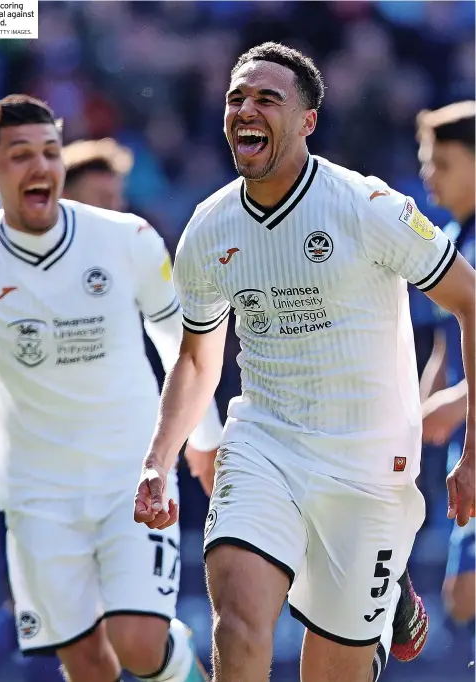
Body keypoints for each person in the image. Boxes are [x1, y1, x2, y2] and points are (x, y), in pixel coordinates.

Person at [134, 42, 475, 682]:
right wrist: (158, 461)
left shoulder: (367, 207)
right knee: (235, 624)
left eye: (268, 98)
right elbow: (198, 358)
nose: (246, 109)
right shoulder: (208, 228)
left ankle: (379, 597)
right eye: (237, 97)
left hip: (369, 463)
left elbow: (472, 302)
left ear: (308, 121)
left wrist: (475, 451)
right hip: (265, 444)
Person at [0, 94, 223, 682]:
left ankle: (183, 666)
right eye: (20, 154)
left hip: (130, 479)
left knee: (138, 642)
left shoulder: (125, 238)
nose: (40, 166)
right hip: (35, 500)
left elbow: (181, 341)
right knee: (84, 664)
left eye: (50, 151)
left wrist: (202, 436)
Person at [62, 137, 220, 495]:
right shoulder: (24, 269)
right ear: (65, 200)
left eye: (118, 198)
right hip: (50, 460)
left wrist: (205, 435)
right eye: (102, 199)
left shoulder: (139, 256)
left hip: (131, 452)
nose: (116, 209)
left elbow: (182, 346)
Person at [416, 101, 475, 628]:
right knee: (462, 599)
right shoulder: (451, 244)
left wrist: (454, 406)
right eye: (426, 162)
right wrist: (415, 413)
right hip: (465, 448)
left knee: (466, 593)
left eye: (444, 162)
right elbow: (444, 345)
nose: (428, 175)